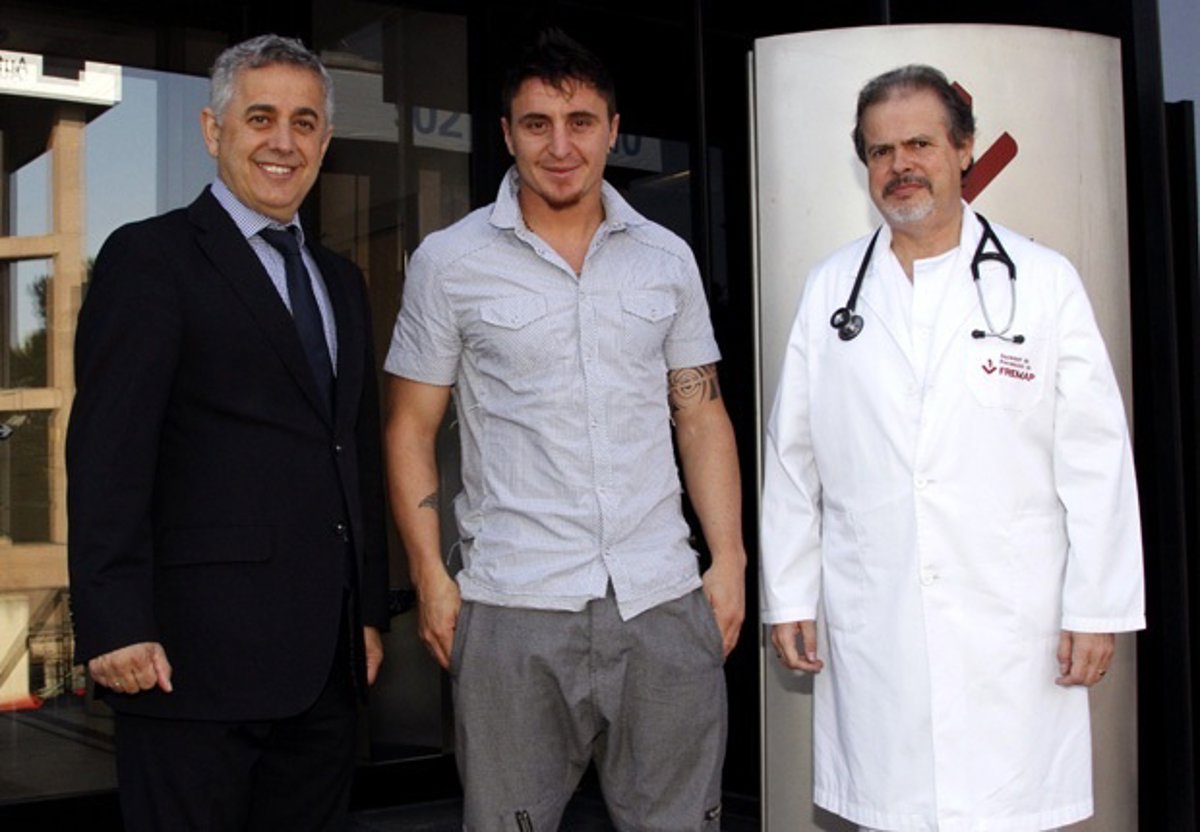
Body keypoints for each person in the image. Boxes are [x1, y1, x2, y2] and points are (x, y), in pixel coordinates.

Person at [760, 64, 1144, 832]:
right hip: (880, 623)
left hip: (1014, 633)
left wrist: (1097, 606)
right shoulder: (831, 291)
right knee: (891, 814)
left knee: (1008, 811)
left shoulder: (1042, 282)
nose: (899, 165)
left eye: (919, 144)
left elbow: (1096, 457)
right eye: (880, 151)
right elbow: (793, 458)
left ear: (963, 150)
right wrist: (791, 595)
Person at [384, 28, 745, 832]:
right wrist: (431, 577)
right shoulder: (449, 262)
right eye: (537, 124)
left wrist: (728, 561)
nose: (560, 146)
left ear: (613, 130)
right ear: (507, 134)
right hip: (514, 605)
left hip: (661, 599)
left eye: (580, 122)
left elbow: (700, 412)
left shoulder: (666, 259)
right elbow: (410, 428)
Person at [66, 34, 389, 831]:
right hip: (189, 668)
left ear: (325, 142)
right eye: (261, 118)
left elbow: (354, 455)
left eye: (305, 123)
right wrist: (115, 622)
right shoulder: (150, 258)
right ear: (214, 131)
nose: (284, 142)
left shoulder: (341, 281)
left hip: (325, 674)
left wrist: (368, 614)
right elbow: (108, 454)